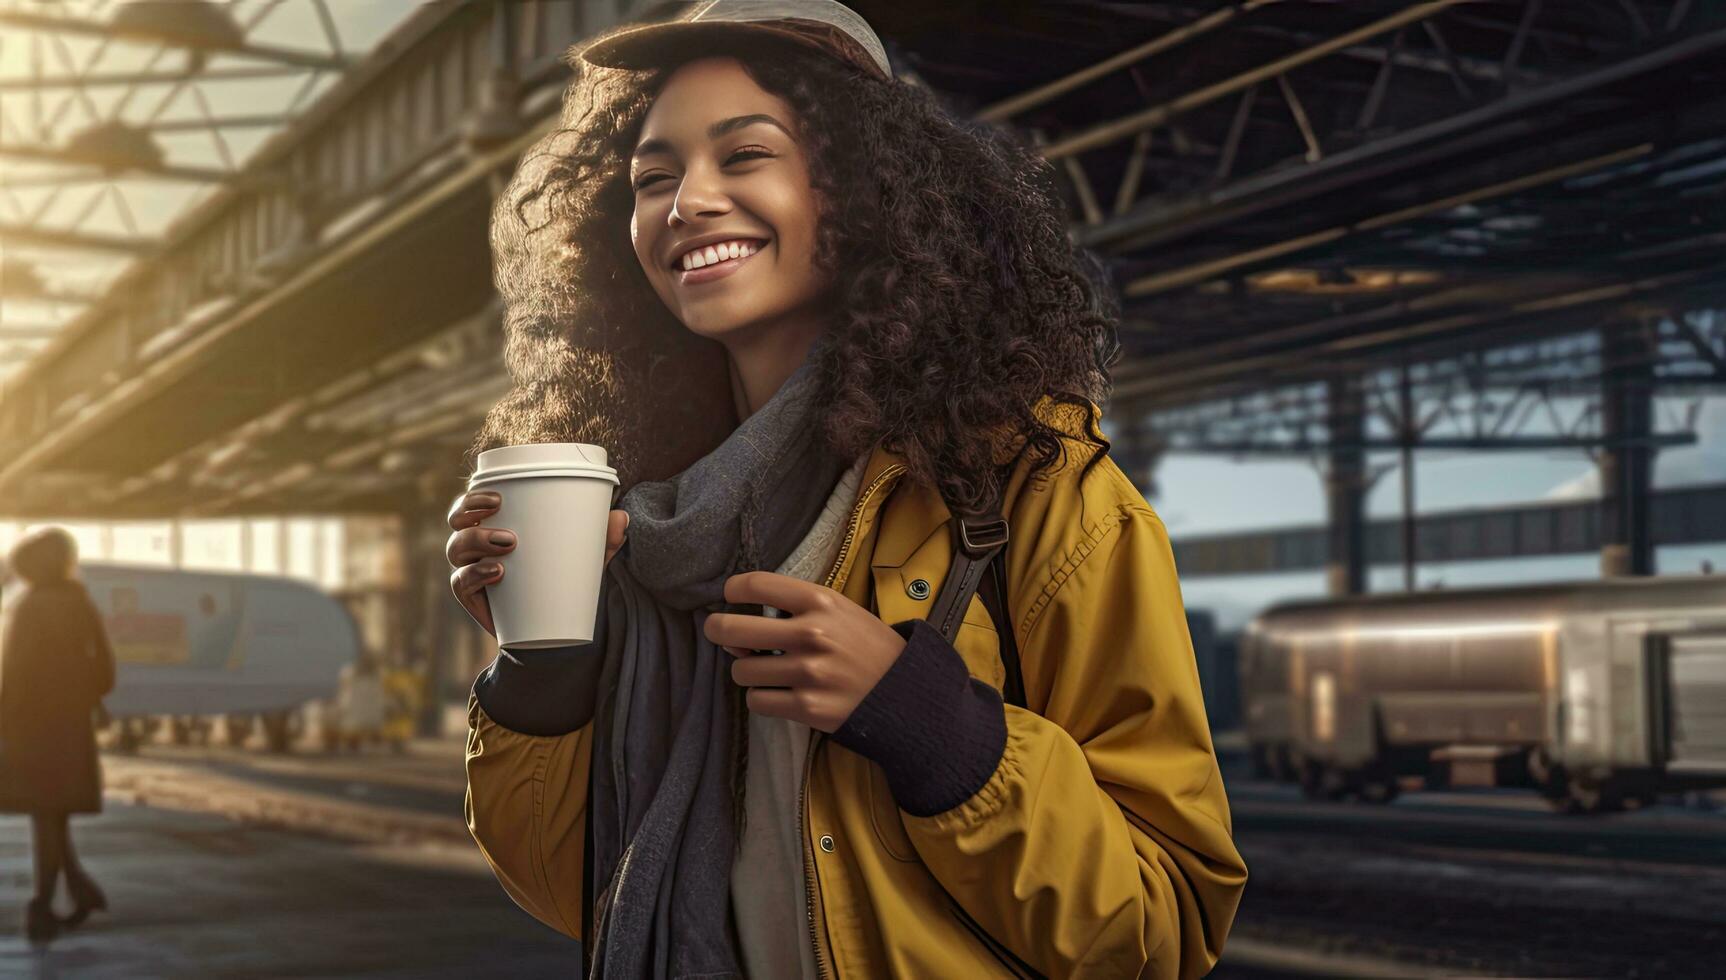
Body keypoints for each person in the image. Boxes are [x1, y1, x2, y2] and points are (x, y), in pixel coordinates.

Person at [449, 2, 1246, 978]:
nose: (684, 201)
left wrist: (931, 727)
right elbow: (567, 887)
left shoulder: (1043, 493)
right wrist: (541, 670)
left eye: (743, 156)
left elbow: (1164, 924)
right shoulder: (637, 520)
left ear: (866, 188)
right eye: (652, 178)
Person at [0, 527, 115, 942]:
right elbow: (104, 672)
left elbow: (13, 673)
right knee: (53, 816)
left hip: (32, 729)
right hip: (68, 729)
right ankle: (79, 890)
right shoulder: (80, 602)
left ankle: (43, 906)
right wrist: (77, 694)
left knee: (45, 817)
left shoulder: (29, 607)